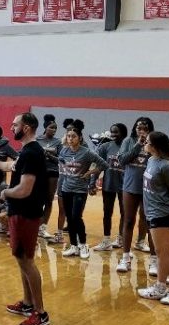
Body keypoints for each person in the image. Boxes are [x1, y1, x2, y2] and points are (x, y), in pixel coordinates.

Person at [0, 112, 49, 325]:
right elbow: (12, 166)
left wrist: (5, 193)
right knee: (21, 258)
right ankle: (27, 304)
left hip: (26, 212)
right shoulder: (27, 152)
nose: (11, 127)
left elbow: (25, 189)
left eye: (14, 124)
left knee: (26, 261)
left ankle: (40, 312)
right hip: (21, 212)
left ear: (25, 128)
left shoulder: (32, 153)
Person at [137, 132, 169, 305]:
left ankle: (159, 287)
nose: (144, 143)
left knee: (161, 252)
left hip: (162, 214)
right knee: (167, 252)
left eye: (147, 142)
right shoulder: (151, 161)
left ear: (155, 146)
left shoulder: (166, 166)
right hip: (152, 212)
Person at [57, 126, 107, 259]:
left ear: (79, 138)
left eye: (73, 136)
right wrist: (64, 178)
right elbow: (61, 164)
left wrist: (90, 173)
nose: (70, 139)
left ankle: (83, 244)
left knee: (76, 217)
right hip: (66, 188)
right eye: (68, 136)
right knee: (69, 217)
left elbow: (103, 164)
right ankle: (73, 245)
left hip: (80, 190)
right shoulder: (64, 151)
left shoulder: (86, 152)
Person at [116, 117, 155, 274]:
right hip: (130, 186)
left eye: (145, 128)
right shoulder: (128, 141)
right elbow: (122, 160)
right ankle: (125, 257)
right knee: (129, 220)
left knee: (149, 220)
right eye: (139, 128)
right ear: (135, 129)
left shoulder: (153, 142)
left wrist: (148, 145)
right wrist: (138, 144)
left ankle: (153, 260)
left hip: (149, 188)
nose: (142, 131)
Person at [95, 123, 128, 251]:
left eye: (116, 132)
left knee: (124, 213)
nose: (113, 135)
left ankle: (120, 238)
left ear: (124, 133)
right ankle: (106, 240)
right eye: (112, 132)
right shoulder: (106, 146)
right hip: (109, 184)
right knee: (107, 212)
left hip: (125, 186)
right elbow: (97, 165)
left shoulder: (129, 146)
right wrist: (92, 182)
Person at [36, 115, 63, 241]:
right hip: (39, 172)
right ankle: (35, 225)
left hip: (52, 172)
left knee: (48, 200)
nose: (54, 130)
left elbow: (61, 159)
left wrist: (50, 156)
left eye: (55, 128)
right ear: (45, 128)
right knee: (37, 200)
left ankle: (43, 227)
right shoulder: (37, 140)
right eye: (51, 127)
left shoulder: (58, 142)